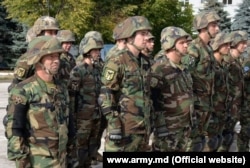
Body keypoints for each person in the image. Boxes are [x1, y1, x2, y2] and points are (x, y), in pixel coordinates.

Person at [5, 36, 75, 168]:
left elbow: (69, 123)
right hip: (37, 160)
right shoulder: (23, 90)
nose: (56, 61)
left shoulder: (62, 88)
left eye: (57, 56)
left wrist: (72, 154)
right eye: (50, 57)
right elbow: (15, 129)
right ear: (38, 60)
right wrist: (21, 161)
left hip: (62, 159)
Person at [98, 16, 152, 152]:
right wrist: (114, 124)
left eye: (147, 33)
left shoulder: (145, 62)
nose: (147, 37)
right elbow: (105, 95)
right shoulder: (117, 61)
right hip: (123, 132)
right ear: (130, 37)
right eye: (142, 34)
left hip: (142, 132)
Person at [182, 10, 220, 152]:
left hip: (206, 105)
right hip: (195, 107)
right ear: (204, 27)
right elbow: (184, 77)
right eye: (214, 25)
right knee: (192, 144)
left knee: (200, 143)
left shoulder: (208, 49)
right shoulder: (194, 48)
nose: (217, 29)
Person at [150, 26, 193, 152]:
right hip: (167, 130)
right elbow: (152, 99)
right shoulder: (159, 69)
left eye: (186, 42)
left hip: (183, 127)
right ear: (170, 45)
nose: (186, 45)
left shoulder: (183, 69)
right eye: (181, 43)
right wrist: (160, 125)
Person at [68, 31, 104, 168]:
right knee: (80, 146)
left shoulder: (97, 70)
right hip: (82, 117)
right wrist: (72, 117)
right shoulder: (78, 71)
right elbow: (72, 96)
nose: (98, 53)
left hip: (96, 115)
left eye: (99, 50)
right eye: (95, 50)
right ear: (87, 51)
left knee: (92, 144)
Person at [9, 16, 60, 92]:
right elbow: (15, 88)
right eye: (50, 32)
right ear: (39, 33)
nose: (54, 36)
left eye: (55, 32)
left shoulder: (58, 56)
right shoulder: (27, 59)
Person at [219, 31, 247, 152]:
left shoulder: (238, 61)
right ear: (235, 43)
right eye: (242, 43)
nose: (245, 46)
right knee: (222, 140)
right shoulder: (226, 61)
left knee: (229, 138)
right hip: (226, 107)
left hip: (235, 106)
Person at [208, 32, 232, 151]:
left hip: (221, 112)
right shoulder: (211, 65)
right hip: (212, 112)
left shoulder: (223, 65)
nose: (229, 47)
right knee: (210, 144)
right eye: (225, 44)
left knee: (219, 142)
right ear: (217, 46)